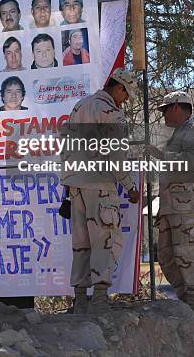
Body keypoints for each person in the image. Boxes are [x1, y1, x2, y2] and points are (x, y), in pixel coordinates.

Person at [60, 69, 139, 314]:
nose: (125, 100)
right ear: (119, 88)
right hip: (99, 185)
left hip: (75, 184)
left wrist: (68, 183)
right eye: (126, 95)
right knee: (106, 239)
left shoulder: (79, 106)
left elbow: (66, 146)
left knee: (81, 242)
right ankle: (101, 299)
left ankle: (81, 300)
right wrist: (130, 187)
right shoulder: (112, 114)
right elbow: (115, 156)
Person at [145, 91, 194, 315]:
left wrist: (161, 156)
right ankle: (186, 300)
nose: (163, 115)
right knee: (166, 255)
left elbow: (192, 162)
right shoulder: (180, 134)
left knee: (188, 253)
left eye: (165, 110)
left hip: (189, 206)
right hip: (172, 207)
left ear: (176, 107)